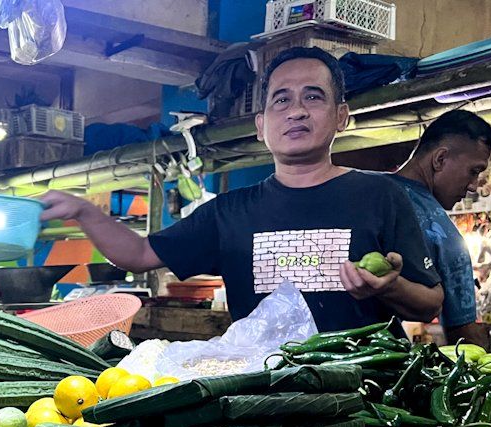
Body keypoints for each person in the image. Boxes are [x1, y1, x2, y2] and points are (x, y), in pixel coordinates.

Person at [40, 47, 443, 333]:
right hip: (262, 403)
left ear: (341, 117)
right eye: (281, 100)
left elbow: (431, 303)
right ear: (261, 124)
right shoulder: (229, 212)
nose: (296, 110)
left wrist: (393, 287)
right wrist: (83, 211)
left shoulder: (381, 196)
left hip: (363, 402)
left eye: (313, 97)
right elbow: (140, 254)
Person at [390, 110, 491, 346]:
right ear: (440, 159)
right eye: (474, 171)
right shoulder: (440, 230)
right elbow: (466, 336)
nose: (472, 186)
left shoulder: (364, 192)